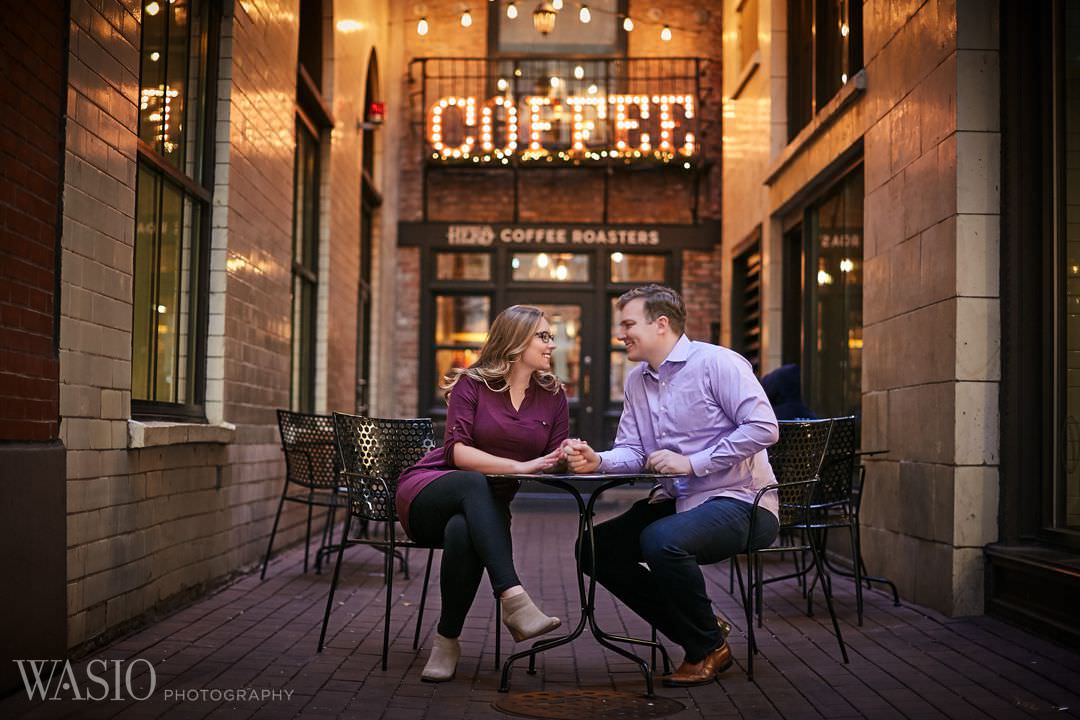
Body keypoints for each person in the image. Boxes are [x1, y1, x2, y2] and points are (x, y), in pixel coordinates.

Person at [562, 284, 780, 687]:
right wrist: (598, 461)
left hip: (742, 501)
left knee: (662, 540)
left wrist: (692, 463)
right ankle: (702, 628)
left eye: (628, 324)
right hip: (679, 500)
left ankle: (705, 649)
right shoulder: (637, 380)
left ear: (661, 324)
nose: (620, 334)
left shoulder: (719, 364)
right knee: (593, 549)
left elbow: (765, 428)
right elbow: (632, 449)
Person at [396, 305, 569, 683]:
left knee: (463, 531)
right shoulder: (472, 384)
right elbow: (457, 453)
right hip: (432, 490)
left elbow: (556, 456)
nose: (551, 344)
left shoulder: (553, 394)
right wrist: (522, 467)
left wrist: (575, 457)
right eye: (543, 336)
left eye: (551, 336)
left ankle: (446, 640)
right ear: (516, 339)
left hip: (486, 508)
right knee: (474, 481)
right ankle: (514, 599)